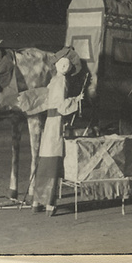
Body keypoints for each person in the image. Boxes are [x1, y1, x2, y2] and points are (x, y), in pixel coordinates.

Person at [32, 46, 83, 217]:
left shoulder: (53, 80)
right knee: (53, 162)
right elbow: (62, 106)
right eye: (62, 63)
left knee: (45, 159)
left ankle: (36, 201)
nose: (64, 66)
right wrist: (77, 100)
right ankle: (49, 204)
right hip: (56, 123)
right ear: (57, 65)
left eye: (67, 65)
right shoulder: (61, 81)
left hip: (50, 123)